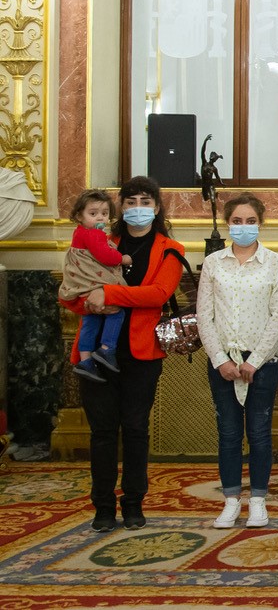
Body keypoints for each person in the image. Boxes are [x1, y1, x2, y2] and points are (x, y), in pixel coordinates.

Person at [58, 176, 185, 532]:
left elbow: (156, 294)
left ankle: (133, 503)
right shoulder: (100, 240)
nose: (138, 208)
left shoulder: (170, 249)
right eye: (130, 201)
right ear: (120, 208)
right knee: (100, 431)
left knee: (134, 428)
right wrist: (90, 300)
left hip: (141, 353)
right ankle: (102, 506)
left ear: (157, 208)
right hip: (94, 354)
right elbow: (69, 293)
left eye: (146, 201)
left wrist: (109, 295)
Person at [196, 192, 278, 529]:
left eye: (251, 221)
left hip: (262, 362)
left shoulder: (275, 263)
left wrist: (255, 362)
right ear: (228, 224)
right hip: (223, 361)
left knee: (260, 432)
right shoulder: (213, 263)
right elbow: (204, 317)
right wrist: (220, 359)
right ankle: (231, 501)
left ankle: (259, 501)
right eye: (237, 221)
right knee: (229, 433)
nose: (244, 227)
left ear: (260, 224)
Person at [59, 189, 132, 383]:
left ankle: (85, 359)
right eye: (93, 214)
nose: (100, 217)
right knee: (117, 313)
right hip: (91, 281)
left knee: (90, 320)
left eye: (105, 213)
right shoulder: (94, 235)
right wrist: (122, 258)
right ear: (79, 216)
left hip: (81, 287)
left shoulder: (80, 232)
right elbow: (105, 257)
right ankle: (107, 349)